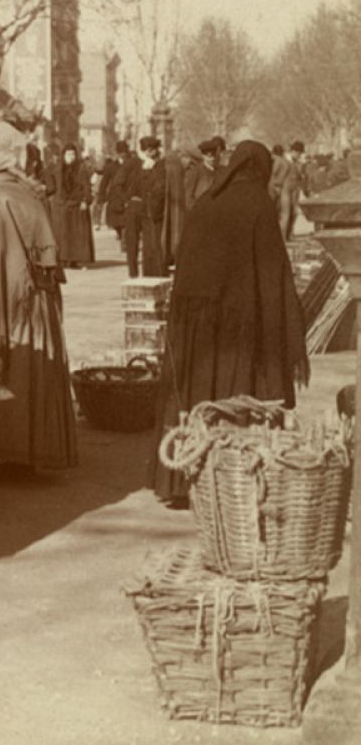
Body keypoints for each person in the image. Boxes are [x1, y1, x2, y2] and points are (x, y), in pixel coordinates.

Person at [151, 141, 307, 504]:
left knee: (195, 395)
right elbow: (273, 275)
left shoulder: (206, 201)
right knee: (232, 396)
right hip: (240, 323)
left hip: (194, 323)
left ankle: (181, 478)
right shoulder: (257, 204)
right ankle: (226, 479)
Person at [0, 121, 78, 472]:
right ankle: (29, 448)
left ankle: (4, 446)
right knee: (29, 368)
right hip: (29, 303)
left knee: (9, 366)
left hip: (2, 302)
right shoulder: (19, 193)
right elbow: (45, 255)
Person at [49, 146, 94, 268]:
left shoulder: (81, 170)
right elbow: (51, 187)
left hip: (77, 205)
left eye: (73, 154)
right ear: (63, 156)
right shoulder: (57, 170)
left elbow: (87, 187)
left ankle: (77, 260)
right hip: (61, 206)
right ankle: (63, 260)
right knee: (62, 235)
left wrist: (86, 200)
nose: (70, 157)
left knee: (76, 234)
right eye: (68, 154)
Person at [106, 140, 145, 278]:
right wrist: (126, 199)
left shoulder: (153, 165)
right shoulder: (131, 164)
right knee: (132, 238)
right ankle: (133, 273)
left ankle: (147, 273)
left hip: (148, 206)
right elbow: (117, 184)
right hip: (133, 204)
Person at [139, 137, 168, 276]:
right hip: (146, 211)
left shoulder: (161, 166)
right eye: (146, 151)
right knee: (148, 245)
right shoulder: (147, 166)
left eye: (150, 150)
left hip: (157, 211)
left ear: (156, 150)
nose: (147, 153)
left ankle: (158, 273)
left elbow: (160, 188)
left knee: (157, 245)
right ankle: (149, 273)